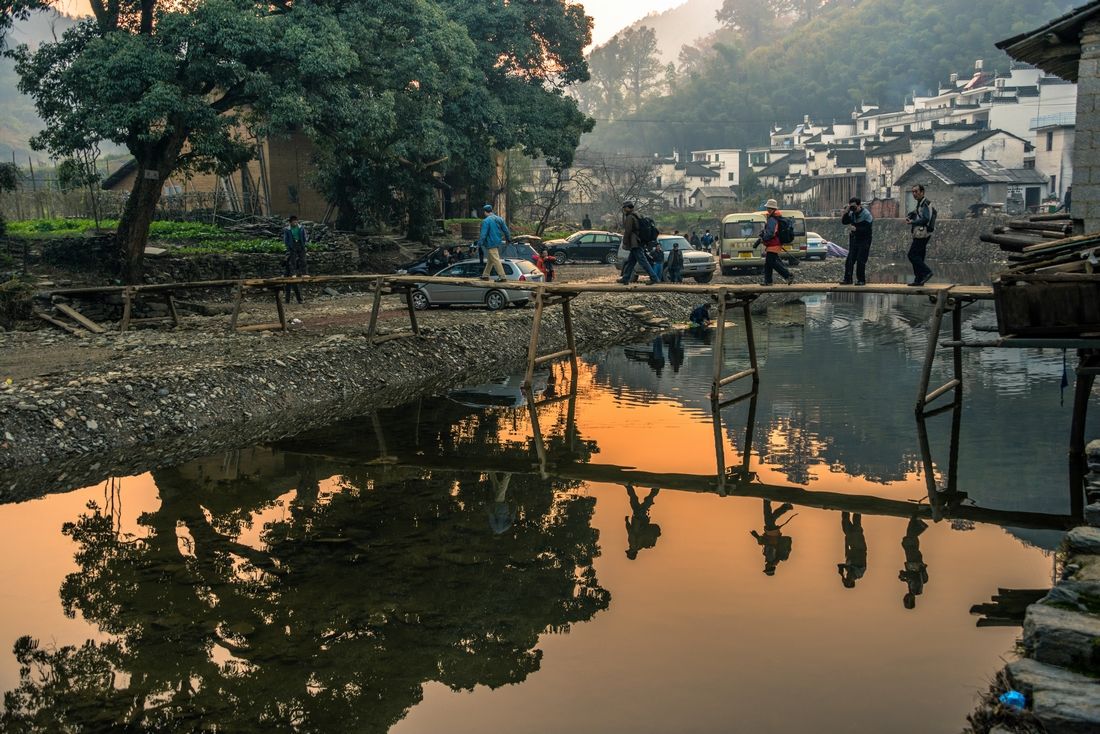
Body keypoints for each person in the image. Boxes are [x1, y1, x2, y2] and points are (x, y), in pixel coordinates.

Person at [617, 201, 659, 285]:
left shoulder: (630, 217)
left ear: (628, 208)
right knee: (631, 261)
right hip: (639, 241)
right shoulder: (638, 215)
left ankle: (654, 278)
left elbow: (628, 231)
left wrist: (625, 241)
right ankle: (626, 278)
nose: (624, 209)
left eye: (625, 208)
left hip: (635, 242)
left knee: (643, 261)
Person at [751, 500, 795, 575]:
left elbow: (769, 544)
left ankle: (786, 507)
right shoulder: (771, 558)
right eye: (766, 568)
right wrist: (759, 539)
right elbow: (771, 544)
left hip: (772, 533)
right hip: (772, 534)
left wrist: (757, 537)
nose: (765, 567)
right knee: (768, 517)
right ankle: (766, 500)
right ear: (770, 568)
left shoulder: (772, 559)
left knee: (771, 518)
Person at [757, 198, 794, 286]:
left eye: (768, 208)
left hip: (773, 243)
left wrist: (764, 238)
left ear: (772, 209)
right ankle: (768, 281)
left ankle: (788, 275)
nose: (767, 209)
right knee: (768, 263)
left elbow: (770, 233)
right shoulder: (776, 218)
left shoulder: (772, 219)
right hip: (775, 243)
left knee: (771, 262)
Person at [839, 197, 874, 285]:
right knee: (850, 260)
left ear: (859, 205)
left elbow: (867, 228)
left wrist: (856, 229)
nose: (853, 209)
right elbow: (844, 222)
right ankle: (848, 279)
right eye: (851, 207)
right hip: (854, 239)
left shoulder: (866, 214)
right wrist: (846, 212)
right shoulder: (851, 213)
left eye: (854, 207)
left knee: (861, 260)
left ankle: (861, 280)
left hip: (864, 240)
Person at [905, 185, 934, 286]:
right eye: (913, 192)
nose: (914, 194)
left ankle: (927, 272)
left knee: (912, 255)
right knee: (919, 256)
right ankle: (918, 280)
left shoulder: (925, 203)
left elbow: (925, 219)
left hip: (922, 233)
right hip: (922, 232)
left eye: (916, 191)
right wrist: (911, 215)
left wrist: (913, 222)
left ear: (922, 192)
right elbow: (919, 214)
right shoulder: (920, 204)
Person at [899, 516, 929, 609]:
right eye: (906, 600)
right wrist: (905, 575)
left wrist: (904, 578)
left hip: (912, 561)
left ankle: (917, 522)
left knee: (908, 541)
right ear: (911, 600)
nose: (904, 597)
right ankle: (916, 520)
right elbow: (915, 577)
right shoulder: (916, 590)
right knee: (909, 540)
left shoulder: (913, 590)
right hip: (914, 561)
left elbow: (913, 578)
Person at [624, 484, 661, 559]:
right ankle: (656, 488)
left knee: (635, 500)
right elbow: (630, 532)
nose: (628, 550)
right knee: (638, 501)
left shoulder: (638, 547)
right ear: (632, 553)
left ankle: (628, 486)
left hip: (641, 520)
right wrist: (627, 522)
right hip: (638, 519)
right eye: (629, 552)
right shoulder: (633, 545)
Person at [477, 203, 511, 281]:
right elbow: (506, 230)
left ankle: (502, 277)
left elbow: (483, 234)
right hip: (497, 242)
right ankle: (485, 275)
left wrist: (479, 244)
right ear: (491, 211)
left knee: (495, 259)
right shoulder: (499, 219)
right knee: (491, 260)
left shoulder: (486, 221)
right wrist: (508, 239)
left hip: (490, 243)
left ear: (485, 212)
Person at [837, 512, 867, 589]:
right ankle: (858, 505)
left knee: (845, 524)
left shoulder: (848, 568)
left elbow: (847, 553)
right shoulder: (860, 573)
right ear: (852, 580)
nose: (847, 576)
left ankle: (845, 506)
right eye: (849, 579)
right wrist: (843, 571)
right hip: (859, 545)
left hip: (851, 542)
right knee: (856, 522)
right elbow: (859, 559)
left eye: (846, 577)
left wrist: (846, 540)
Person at [282, 215, 308, 304]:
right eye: (293, 221)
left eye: (296, 221)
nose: (295, 223)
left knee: (294, 285)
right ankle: (288, 300)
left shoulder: (301, 228)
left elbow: (304, 237)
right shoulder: (287, 230)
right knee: (289, 286)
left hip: (290, 274)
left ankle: (296, 300)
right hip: (289, 274)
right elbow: (289, 263)